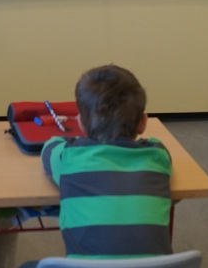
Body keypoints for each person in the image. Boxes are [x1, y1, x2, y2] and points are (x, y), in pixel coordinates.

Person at [23, 64, 172, 267]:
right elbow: (157, 146)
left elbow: (50, 146)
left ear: (81, 124)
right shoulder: (158, 155)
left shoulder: (69, 157)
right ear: (143, 122)